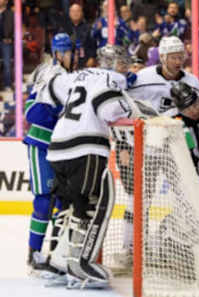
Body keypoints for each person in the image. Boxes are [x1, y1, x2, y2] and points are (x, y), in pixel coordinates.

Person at [44, 44, 135, 288]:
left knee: (70, 206)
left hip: (57, 147)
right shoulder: (113, 79)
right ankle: (81, 265)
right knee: (94, 205)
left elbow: (53, 88)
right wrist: (131, 109)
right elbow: (107, 108)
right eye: (124, 63)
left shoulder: (81, 74)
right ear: (115, 63)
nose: (126, 69)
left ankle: (58, 261)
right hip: (86, 147)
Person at [24, 33, 73, 275]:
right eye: (67, 52)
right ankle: (34, 253)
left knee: (62, 201)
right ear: (58, 53)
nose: (70, 56)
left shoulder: (65, 75)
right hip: (41, 143)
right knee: (44, 200)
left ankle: (56, 253)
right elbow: (30, 110)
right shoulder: (49, 73)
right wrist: (54, 117)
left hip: (62, 146)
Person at [128, 36, 199, 114]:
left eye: (180, 57)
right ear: (162, 57)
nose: (178, 62)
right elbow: (129, 102)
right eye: (173, 58)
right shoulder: (143, 77)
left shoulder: (192, 81)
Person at [0, 0, 13, 91]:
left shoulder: (10, 14)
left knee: (7, 64)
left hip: (6, 41)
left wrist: (10, 37)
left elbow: (15, 27)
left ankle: (7, 85)